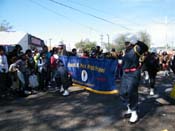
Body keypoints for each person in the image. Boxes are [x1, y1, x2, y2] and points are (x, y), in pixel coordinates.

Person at [120, 34, 148, 123]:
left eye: (127, 42)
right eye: (125, 42)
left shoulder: (136, 48)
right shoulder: (126, 51)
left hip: (133, 73)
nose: (126, 44)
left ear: (131, 43)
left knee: (132, 93)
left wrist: (137, 41)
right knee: (123, 93)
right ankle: (130, 108)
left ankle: (134, 112)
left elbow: (145, 47)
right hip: (125, 73)